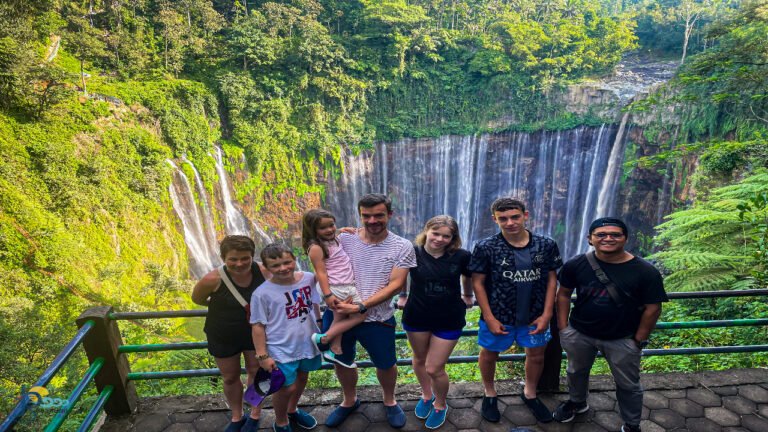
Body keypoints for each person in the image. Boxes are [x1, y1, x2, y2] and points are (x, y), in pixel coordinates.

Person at [553, 218, 667, 432]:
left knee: (628, 384)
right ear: (590, 239)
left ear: (625, 239)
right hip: (579, 333)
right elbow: (564, 294)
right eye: (601, 234)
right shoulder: (576, 264)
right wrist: (563, 327)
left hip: (623, 338)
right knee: (576, 371)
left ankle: (632, 423)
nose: (608, 238)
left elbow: (653, 308)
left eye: (615, 234)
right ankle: (577, 403)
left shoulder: (645, 271)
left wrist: (639, 339)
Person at [322, 193, 417, 429]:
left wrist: (362, 306)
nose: (372, 220)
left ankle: (389, 400)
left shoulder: (402, 246)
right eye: (367, 216)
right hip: (339, 312)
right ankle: (349, 400)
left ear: (390, 215)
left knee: (385, 363)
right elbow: (316, 254)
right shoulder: (344, 239)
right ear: (359, 215)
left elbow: (396, 284)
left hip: (377, 317)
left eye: (379, 215)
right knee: (342, 361)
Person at [468, 198, 562, 424]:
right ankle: (489, 393)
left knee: (537, 355)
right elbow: (477, 283)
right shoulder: (486, 247)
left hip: (536, 314)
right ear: (495, 219)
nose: (510, 223)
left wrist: (548, 314)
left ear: (525, 215)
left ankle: (530, 393)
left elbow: (552, 280)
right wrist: (489, 317)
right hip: (499, 314)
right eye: (503, 219)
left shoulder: (546, 244)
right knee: (489, 354)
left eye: (515, 217)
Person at [397, 215, 474, 429]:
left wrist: (468, 296)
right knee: (419, 358)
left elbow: (467, 276)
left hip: (449, 317)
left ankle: (440, 404)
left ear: (453, 238)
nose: (440, 239)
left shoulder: (461, 256)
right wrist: (402, 295)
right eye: (436, 233)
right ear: (426, 231)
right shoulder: (412, 251)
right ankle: (426, 395)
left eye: (446, 236)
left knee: (434, 368)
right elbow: (402, 275)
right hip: (417, 314)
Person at [191, 235, 268, 432]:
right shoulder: (212, 279)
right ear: (224, 258)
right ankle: (237, 415)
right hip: (223, 334)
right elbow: (197, 299)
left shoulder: (263, 271)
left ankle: (255, 413)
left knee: (256, 372)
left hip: (255, 333)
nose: (239, 263)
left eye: (245, 258)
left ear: (252, 256)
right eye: (233, 259)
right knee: (230, 377)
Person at [250, 243, 323, 432]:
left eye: (287, 262)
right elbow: (257, 326)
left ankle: (293, 410)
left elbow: (315, 301)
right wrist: (263, 356)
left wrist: (320, 322)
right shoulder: (262, 293)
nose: (283, 268)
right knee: (285, 388)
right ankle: (281, 421)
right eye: (275, 266)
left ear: (295, 259)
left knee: (302, 377)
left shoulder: (308, 279)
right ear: (266, 268)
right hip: (280, 348)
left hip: (308, 342)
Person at [302, 209, 365, 368]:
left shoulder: (334, 239)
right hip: (336, 287)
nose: (329, 229)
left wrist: (341, 230)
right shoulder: (316, 248)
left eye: (332, 225)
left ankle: (333, 348)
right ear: (313, 230)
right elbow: (321, 273)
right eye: (323, 228)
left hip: (346, 284)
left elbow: (331, 233)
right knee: (359, 315)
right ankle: (324, 339)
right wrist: (328, 295)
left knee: (341, 317)